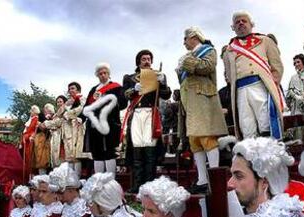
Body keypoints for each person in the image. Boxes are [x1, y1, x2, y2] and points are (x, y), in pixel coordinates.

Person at [176, 27, 228, 194]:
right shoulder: (187, 57)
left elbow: (207, 67)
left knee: (206, 137)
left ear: (193, 37)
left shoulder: (208, 50)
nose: (184, 42)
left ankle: (214, 179)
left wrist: (186, 62)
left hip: (202, 98)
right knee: (195, 141)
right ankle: (202, 180)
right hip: (189, 101)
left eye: (185, 39)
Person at [223, 11, 285, 139]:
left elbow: (277, 65)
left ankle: (271, 154)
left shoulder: (265, 41)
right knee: (247, 126)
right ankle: (252, 156)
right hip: (240, 90)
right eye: (237, 22)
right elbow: (229, 75)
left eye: (243, 21)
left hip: (260, 85)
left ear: (251, 24)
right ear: (233, 28)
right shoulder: (229, 50)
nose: (240, 23)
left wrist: (272, 84)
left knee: (266, 122)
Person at [122, 50, 171, 193]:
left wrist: (162, 84)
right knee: (137, 152)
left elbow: (166, 95)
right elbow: (125, 95)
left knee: (150, 151)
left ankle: (150, 185)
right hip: (136, 113)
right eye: (144, 59)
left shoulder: (158, 75)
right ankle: (137, 185)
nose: (147, 61)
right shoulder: (130, 78)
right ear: (138, 61)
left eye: (149, 58)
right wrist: (133, 89)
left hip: (151, 114)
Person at [82, 63, 127, 176]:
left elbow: (123, 103)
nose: (102, 75)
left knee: (109, 152)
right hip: (94, 125)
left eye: (105, 73)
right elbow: (86, 106)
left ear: (108, 74)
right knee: (97, 153)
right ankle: (98, 180)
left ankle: (110, 181)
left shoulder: (116, 87)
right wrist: (80, 118)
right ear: (97, 75)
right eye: (100, 73)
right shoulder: (93, 90)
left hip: (110, 125)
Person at [63, 82, 88, 177]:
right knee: (69, 155)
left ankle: (76, 178)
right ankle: (69, 179)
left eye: (72, 88)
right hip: (68, 129)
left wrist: (68, 114)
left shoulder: (82, 98)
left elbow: (82, 109)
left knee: (77, 154)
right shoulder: (68, 102)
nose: (70, 90)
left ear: (78, 90)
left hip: (77, 127)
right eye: (69, 89)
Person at [41, 96, 67, 168]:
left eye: (60, 101)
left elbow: (58, 123)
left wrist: (46, 124)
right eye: (57, 102)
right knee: (54, 158)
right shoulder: (57, 114)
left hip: (62, 136)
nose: (59, 103)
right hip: (55, 136)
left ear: (64, 102)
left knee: (61, 158)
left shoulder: (66, 111)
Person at [19, 105, 39, 182]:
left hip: (29, 142)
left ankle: (32, 179)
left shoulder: (35, 119)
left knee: (30, 160)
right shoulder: (31, 119)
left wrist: (26, 137)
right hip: (25, 142)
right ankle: (28, 179)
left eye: (31, 110)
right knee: (27, 160)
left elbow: (33, 131)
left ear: (34, 111)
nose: (30, 112)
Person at [33, 103, 53, 174]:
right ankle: (42, 176)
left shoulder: (51, 117)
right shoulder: (40, 115)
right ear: (45, 110)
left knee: (46, 158)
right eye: (49, 111)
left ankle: (44, 176)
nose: (50, 113)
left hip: (48, 139)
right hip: (41, 138)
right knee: (41, 157)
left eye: (51, 112)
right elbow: (41, 127)